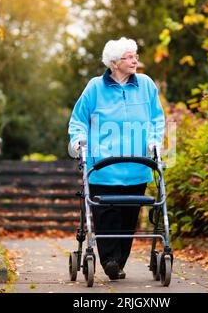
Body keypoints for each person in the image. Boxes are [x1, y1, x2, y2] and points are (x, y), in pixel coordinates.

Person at [68, 37, 165, 280]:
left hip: (137, 166)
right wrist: (79, 141)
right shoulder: (94, 88)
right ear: (113, 63)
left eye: (136, 56)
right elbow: (79, 119)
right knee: (106, 215)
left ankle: (118, 262)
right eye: (129, 57)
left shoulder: (146, 85)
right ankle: (109, 261)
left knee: (128, 217)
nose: (135, 60)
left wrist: (155, 140)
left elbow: (157, 118)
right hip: (103, 168)